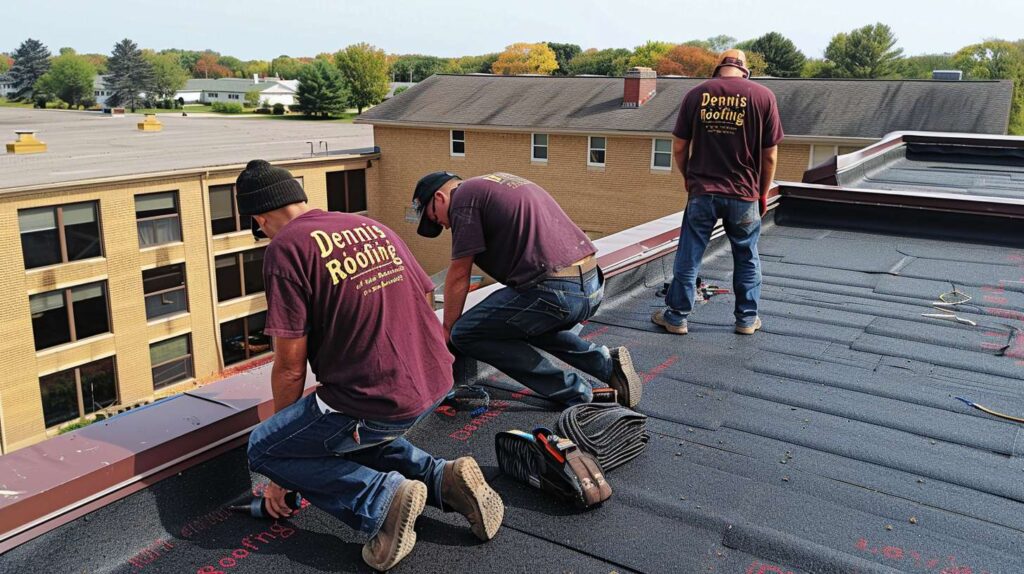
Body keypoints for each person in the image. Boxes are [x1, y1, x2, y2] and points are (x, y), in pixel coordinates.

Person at [237, 160, 504, 571]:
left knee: (265, 446)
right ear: (301, 198)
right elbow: (425, 293)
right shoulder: (370, 227)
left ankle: (380, 499)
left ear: (260, 217)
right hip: (434, 379)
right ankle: (443, 479)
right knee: (354, 432)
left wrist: (283, 467)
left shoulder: (285, 248)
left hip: (379, 401)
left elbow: (290, 367)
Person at [408, 171, 642, 409]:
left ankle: (575, 391)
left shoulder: (463, 199)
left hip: (556, 290)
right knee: (521, 318)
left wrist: (447, 330)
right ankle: (605, 363)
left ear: (439, 197)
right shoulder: (494, 183)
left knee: (465, 333)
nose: (445, 226)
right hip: (590, 284)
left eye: (436, 219)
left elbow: (459, 275)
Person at [652, 49, 784, 336]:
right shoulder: (763, 97)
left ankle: (676, 318)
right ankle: (747, 320)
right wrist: (761, 192)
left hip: (703, 190)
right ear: (745, 70)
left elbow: (678, 146)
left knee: (690, 254)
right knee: (747, 256)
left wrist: (688, 177)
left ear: (718, 69)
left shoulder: (697, 94)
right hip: (744, 193)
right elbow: (770, 155)